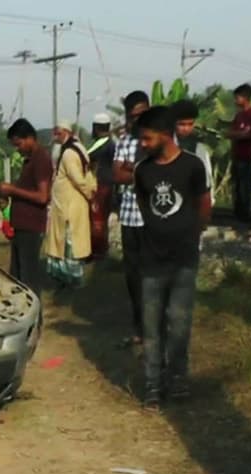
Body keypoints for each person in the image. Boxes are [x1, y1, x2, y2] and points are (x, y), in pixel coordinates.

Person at [132, 106, 211, 409]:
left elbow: (203, 205)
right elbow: (144, 204)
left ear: (165, 135)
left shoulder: (192, 166)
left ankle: (177, 378)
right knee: (151, 326)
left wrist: (192, 235)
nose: (143, 144)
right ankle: (153, 384)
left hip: (183, 260)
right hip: (151, 260)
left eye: (147, 138)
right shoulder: (143, 170)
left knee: (178, 323)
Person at [113, 90, 150, 347]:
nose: (137, 120)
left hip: (155, 219)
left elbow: (162, 174)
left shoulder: (162, 139)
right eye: (133, 116)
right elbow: (117, 175)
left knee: (156, 275)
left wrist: (132, 169)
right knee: (134, 277)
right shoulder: (124, 141)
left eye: (142, 115)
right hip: (129, 217)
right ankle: (140, 328)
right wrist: (141, 171)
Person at [0, 119, 52, 295]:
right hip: (22, 226)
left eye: (19, 144)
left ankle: (35, 317)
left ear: (29, 138)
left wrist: (12, 190)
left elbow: (43, 196)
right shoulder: (31, 160)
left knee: (29, 277)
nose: (18, 149)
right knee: (18, 275)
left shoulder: (41, 159)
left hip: (31, 226)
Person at [45, 121, 97, 289]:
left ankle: (71, 280)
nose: (55, 137)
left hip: (70, 205)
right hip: (66, 203)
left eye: (58, 133)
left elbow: (78, 179)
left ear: (66, 132)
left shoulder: (69, 153)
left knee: (69, 243)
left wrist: (90, 195)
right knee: (65, 241)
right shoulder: (76, 147)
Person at [227, 83, 251, 223]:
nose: (236, 101)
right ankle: (237, 213)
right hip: (237, 155)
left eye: (237, 98)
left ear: (245, 98)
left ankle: (244, 215)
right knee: (236, 185)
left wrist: (238, 135)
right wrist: (239, 134)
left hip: (247, 155)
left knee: (245, 186)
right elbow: (231, 133)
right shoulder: (239, 115)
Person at [86, 113, 116, 259]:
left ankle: (98, 250)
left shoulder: (103, 144)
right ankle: (100, 249)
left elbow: (86, 157)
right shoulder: (111, 142)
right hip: (107, 184)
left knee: (98, 219)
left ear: (96, 128)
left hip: (101, 185)